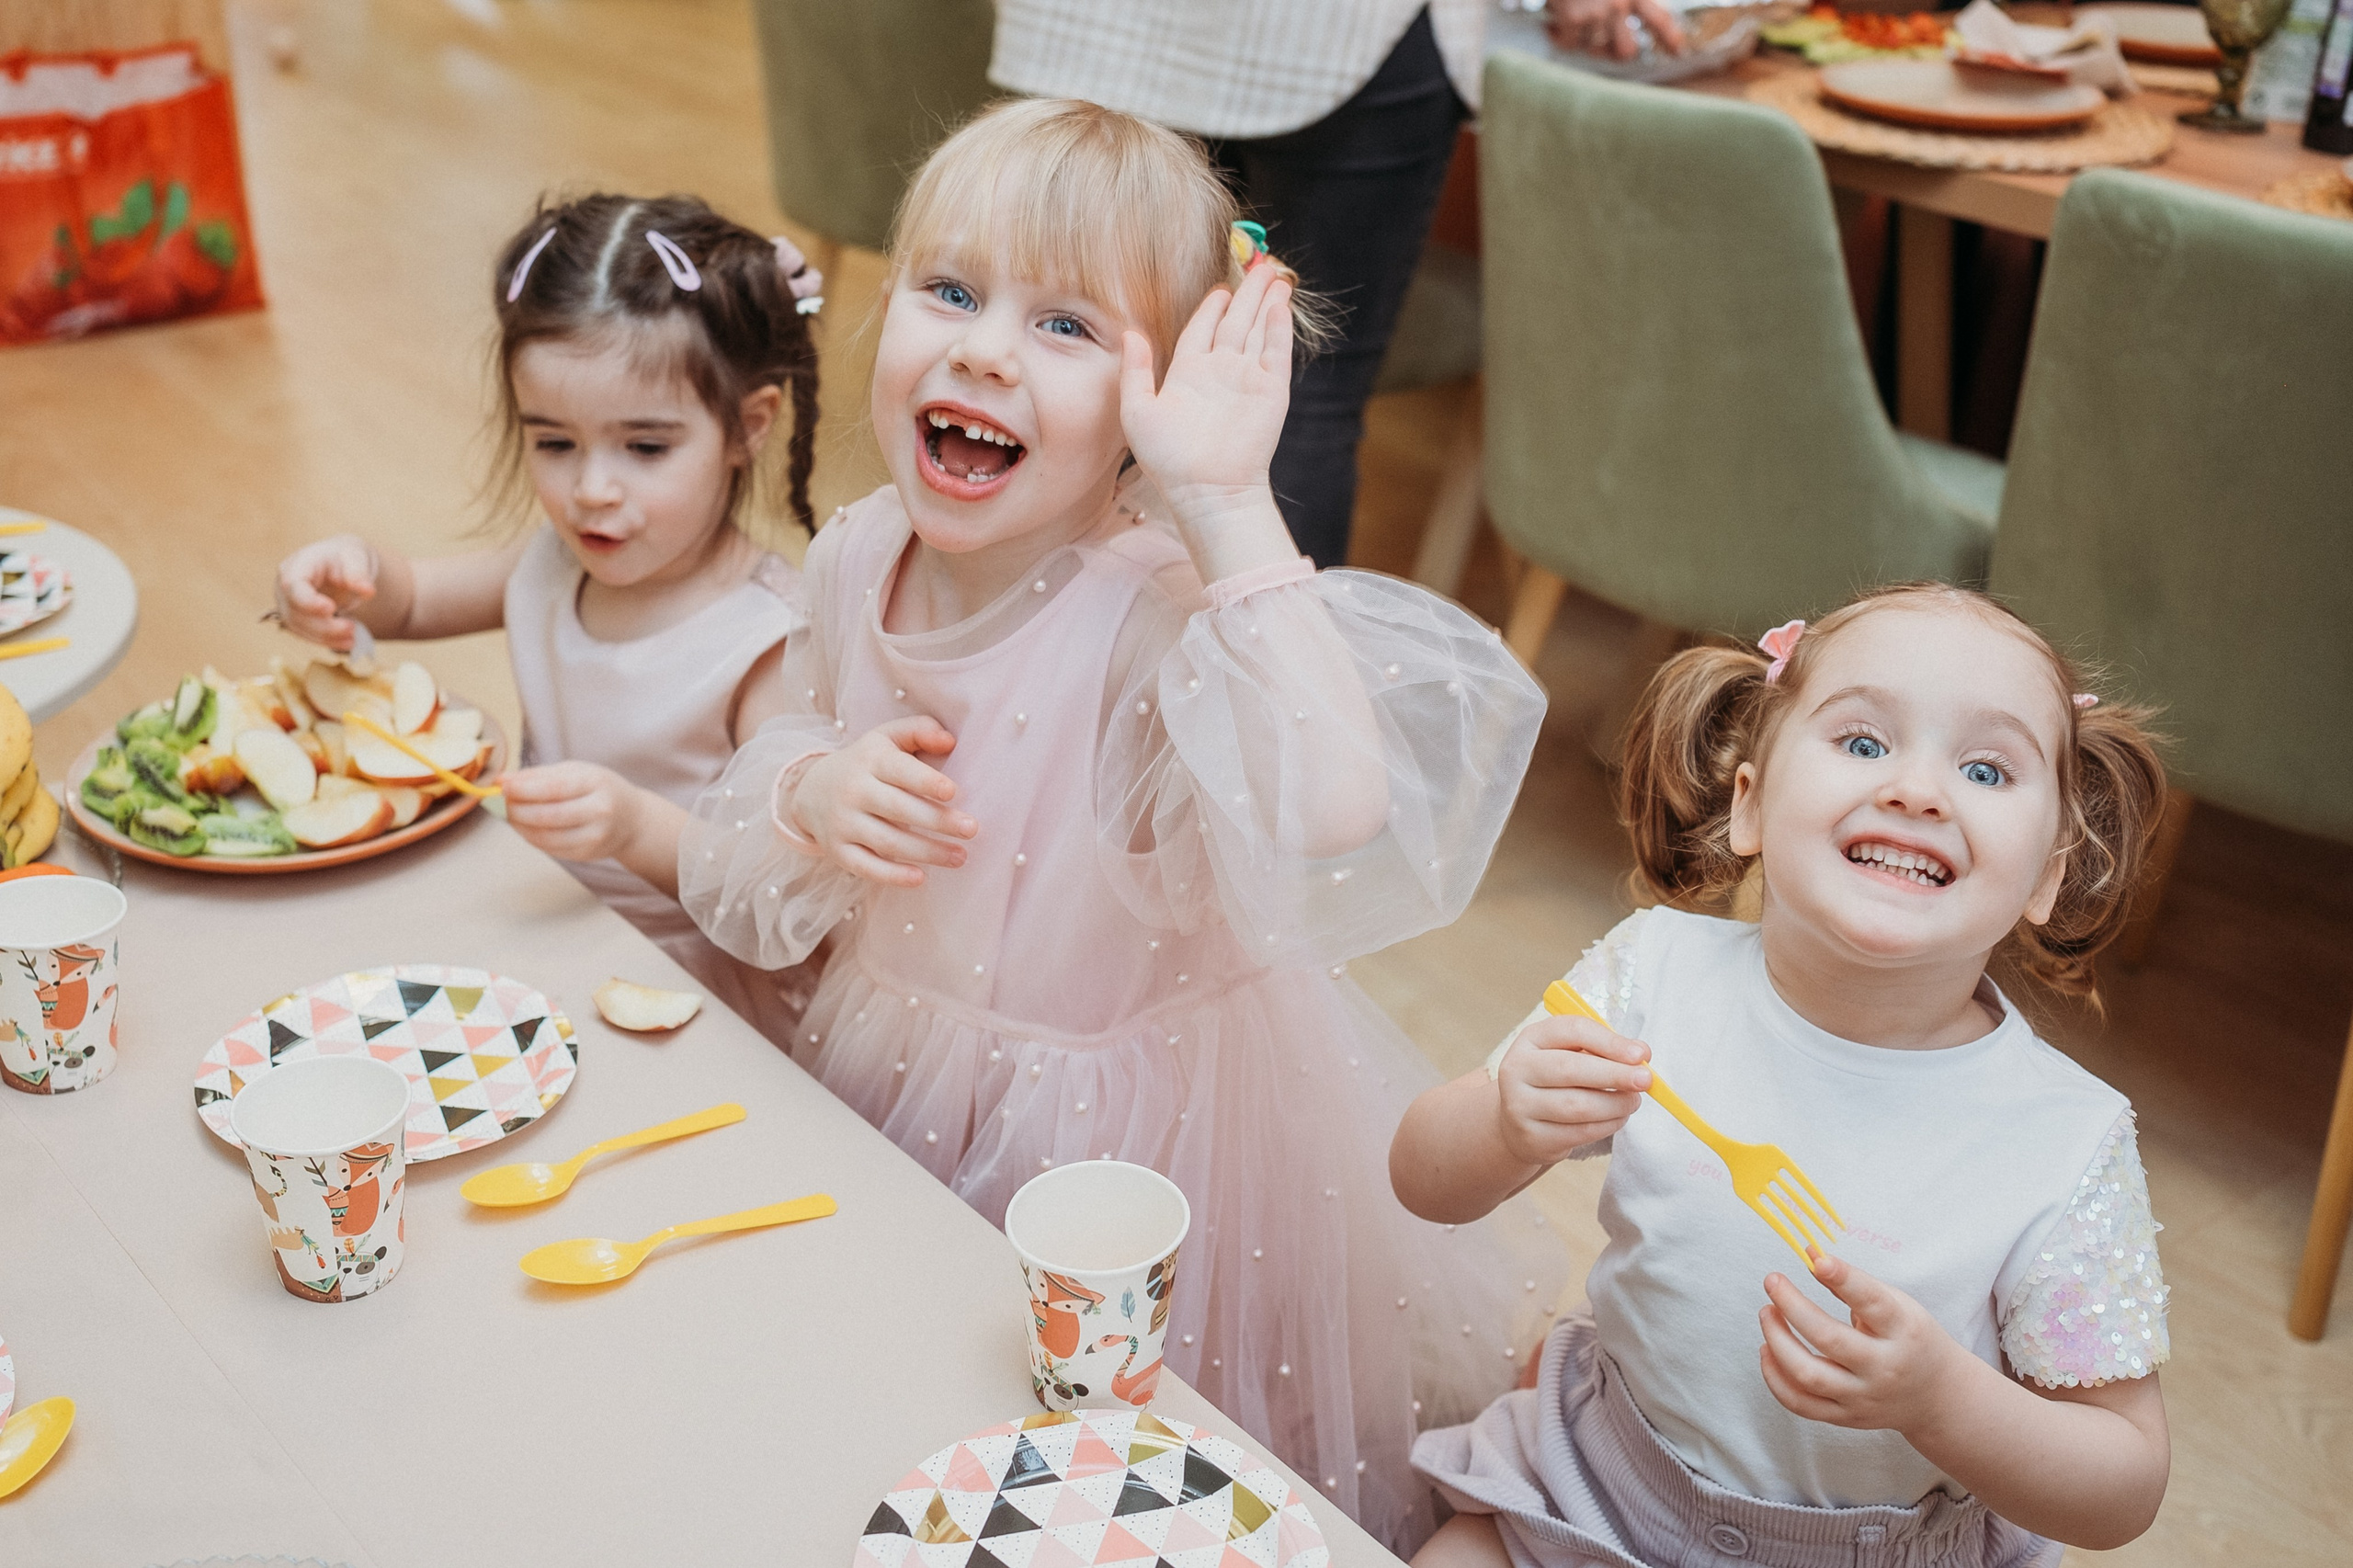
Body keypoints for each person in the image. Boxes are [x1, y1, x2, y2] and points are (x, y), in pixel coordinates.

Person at [676, 99, 1563, 1550]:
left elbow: (1335, 802)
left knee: (1113, 1480)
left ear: (1155, 409)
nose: (981, 349)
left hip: (1138, 1157)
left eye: (1067, 326)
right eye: (950, 292)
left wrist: (1224, 503)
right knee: (915, 1394)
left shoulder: (1151, 611)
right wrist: (811, 788)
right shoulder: (853, 556)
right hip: (898, 1060)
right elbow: (780, 753)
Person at [1392, 585, 2175, 1568]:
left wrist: (1945, 1402)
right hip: (1597, 1489)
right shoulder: (1653, 975)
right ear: (1751, 801)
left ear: (2050, 871)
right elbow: (1423, 1179)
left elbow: (2125, 1483)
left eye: (1984, 766)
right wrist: (1504, 1123)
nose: (1917, 790)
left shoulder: (2062, 1144)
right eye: (1861, 742)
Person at [271, 194, 826, 1042]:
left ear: (746, 428)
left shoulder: (759, 645)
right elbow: (412, 597)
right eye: (554, 443)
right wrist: (349, 574)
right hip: (543, 927)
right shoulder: (553, 561)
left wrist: (636, 827)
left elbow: (777, 888)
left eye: (645, 448)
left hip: (687, 996)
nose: (592, 489)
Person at [987, 0, 1682, 569]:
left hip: (1105, 27)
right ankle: (1257, 721)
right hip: (1326, 36)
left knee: (1076, 344)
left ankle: (1007, 678)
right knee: (1297, 390)